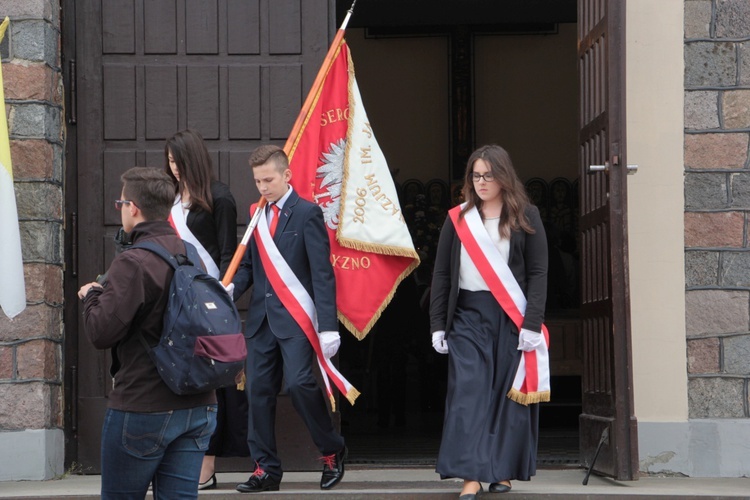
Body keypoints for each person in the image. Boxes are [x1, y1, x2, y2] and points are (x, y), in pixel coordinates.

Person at [77, 167, 218, 499]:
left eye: (120, 203)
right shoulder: (190, 254)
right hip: (198, 405)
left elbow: (100, 332)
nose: (121, 209)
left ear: (133, 208)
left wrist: (92, 295)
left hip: (144, 406)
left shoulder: (134, 261)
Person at [429, 145, 548, 498]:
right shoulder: (458, 219)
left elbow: (539, 273)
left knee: (506, 395)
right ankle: (471, 474)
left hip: (511, 316)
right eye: (475, 176)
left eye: (488, 176)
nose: (481, 182)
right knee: (470, 391)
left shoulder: (527, 215)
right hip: (467, 315)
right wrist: (438, 324)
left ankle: (503, 470)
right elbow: (441, 276)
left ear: (503, 177)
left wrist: (532, 322)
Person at [231, 144, 347, 493]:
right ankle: (265, 468)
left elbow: (322, 274)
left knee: (299, 385)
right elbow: (250, 267)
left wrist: (328, 326)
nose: (263, 187)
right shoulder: (256, 214)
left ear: (286, 175)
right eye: (257, 181)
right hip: (261, 321)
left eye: (268, 179)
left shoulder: (307, 213)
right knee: (257, 392)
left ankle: (331, 450)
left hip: (296, 320)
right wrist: (229, 291)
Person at [164, 129, 246, 489]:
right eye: (168, 161)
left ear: (192, 159)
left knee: (216, 381)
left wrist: (225, 294)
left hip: (210, 301)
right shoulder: (167, 198)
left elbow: (229, 252)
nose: (173, 168)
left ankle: (208, 465)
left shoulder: (220, 197)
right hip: (176, 299)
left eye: (177, 161)